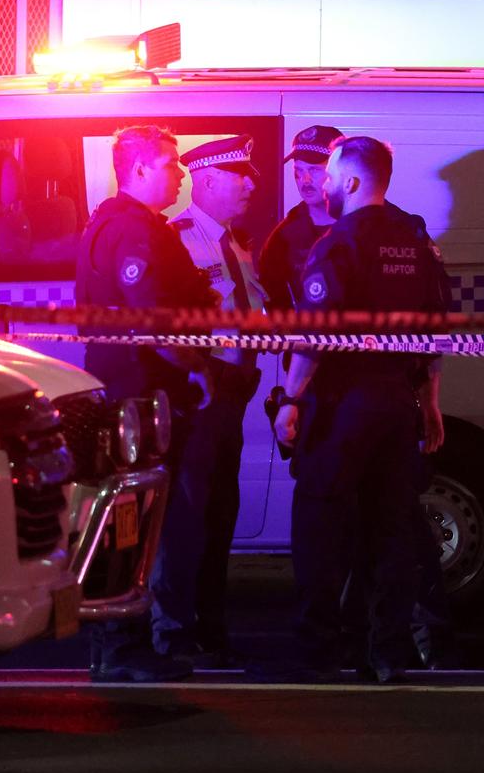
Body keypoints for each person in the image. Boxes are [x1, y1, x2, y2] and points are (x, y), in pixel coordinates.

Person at [260, 126, 455, 671]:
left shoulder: (338, 242)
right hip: (398, 404)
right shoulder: (416, 240)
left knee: (320, 527)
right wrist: (430, 401)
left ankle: (318, 653)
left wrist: (293, 398)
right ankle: (389, 651)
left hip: (343, 405)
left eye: (327, 175)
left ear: (349, 180)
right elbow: (437, 329)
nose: (321, 184)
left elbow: (317, 334)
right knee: (391, 530)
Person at [76, 123, 219, 683]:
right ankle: (120, 645)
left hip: (134, 397)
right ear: (138, 170)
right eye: (170, 164)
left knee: (135, 518)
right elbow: (155, 323)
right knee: (134, 521)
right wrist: (197, 370)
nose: (180, 174)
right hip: (140, 401)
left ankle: (121, 641)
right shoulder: (133, 232)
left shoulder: (119, 224)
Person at [150, 134, 267, 667]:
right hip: (202, 396)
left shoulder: (238, 242)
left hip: (235, 396)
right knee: (186, 516)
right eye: (240, 175)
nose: (251, 184)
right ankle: (173, 630)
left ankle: (210, 626)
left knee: (221, 515)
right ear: (210, 180)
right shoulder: (178, 239)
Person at [259, 125, 340, 311]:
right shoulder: (283, 237)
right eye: (298, 171)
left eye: (314, 170)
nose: (305, 180)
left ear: (339, 170)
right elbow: (274, 305)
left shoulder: (366, 225)